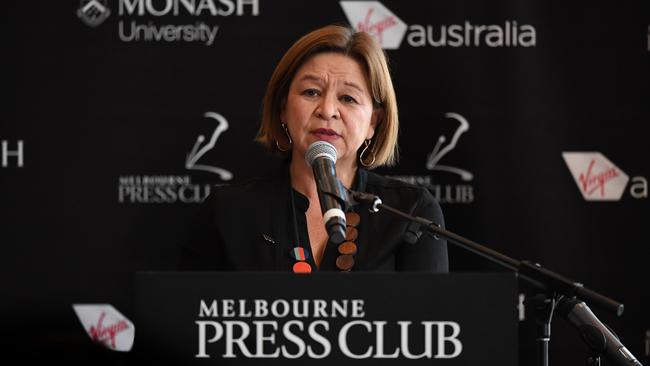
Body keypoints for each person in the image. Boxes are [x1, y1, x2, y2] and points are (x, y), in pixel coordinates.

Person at [181, 25, 448, 273]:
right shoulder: (229, 210)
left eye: (348, 98)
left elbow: (430, 320)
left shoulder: (412, 212)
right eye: (311, 92)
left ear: (373, 123)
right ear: (283, 109)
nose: (328, 111)